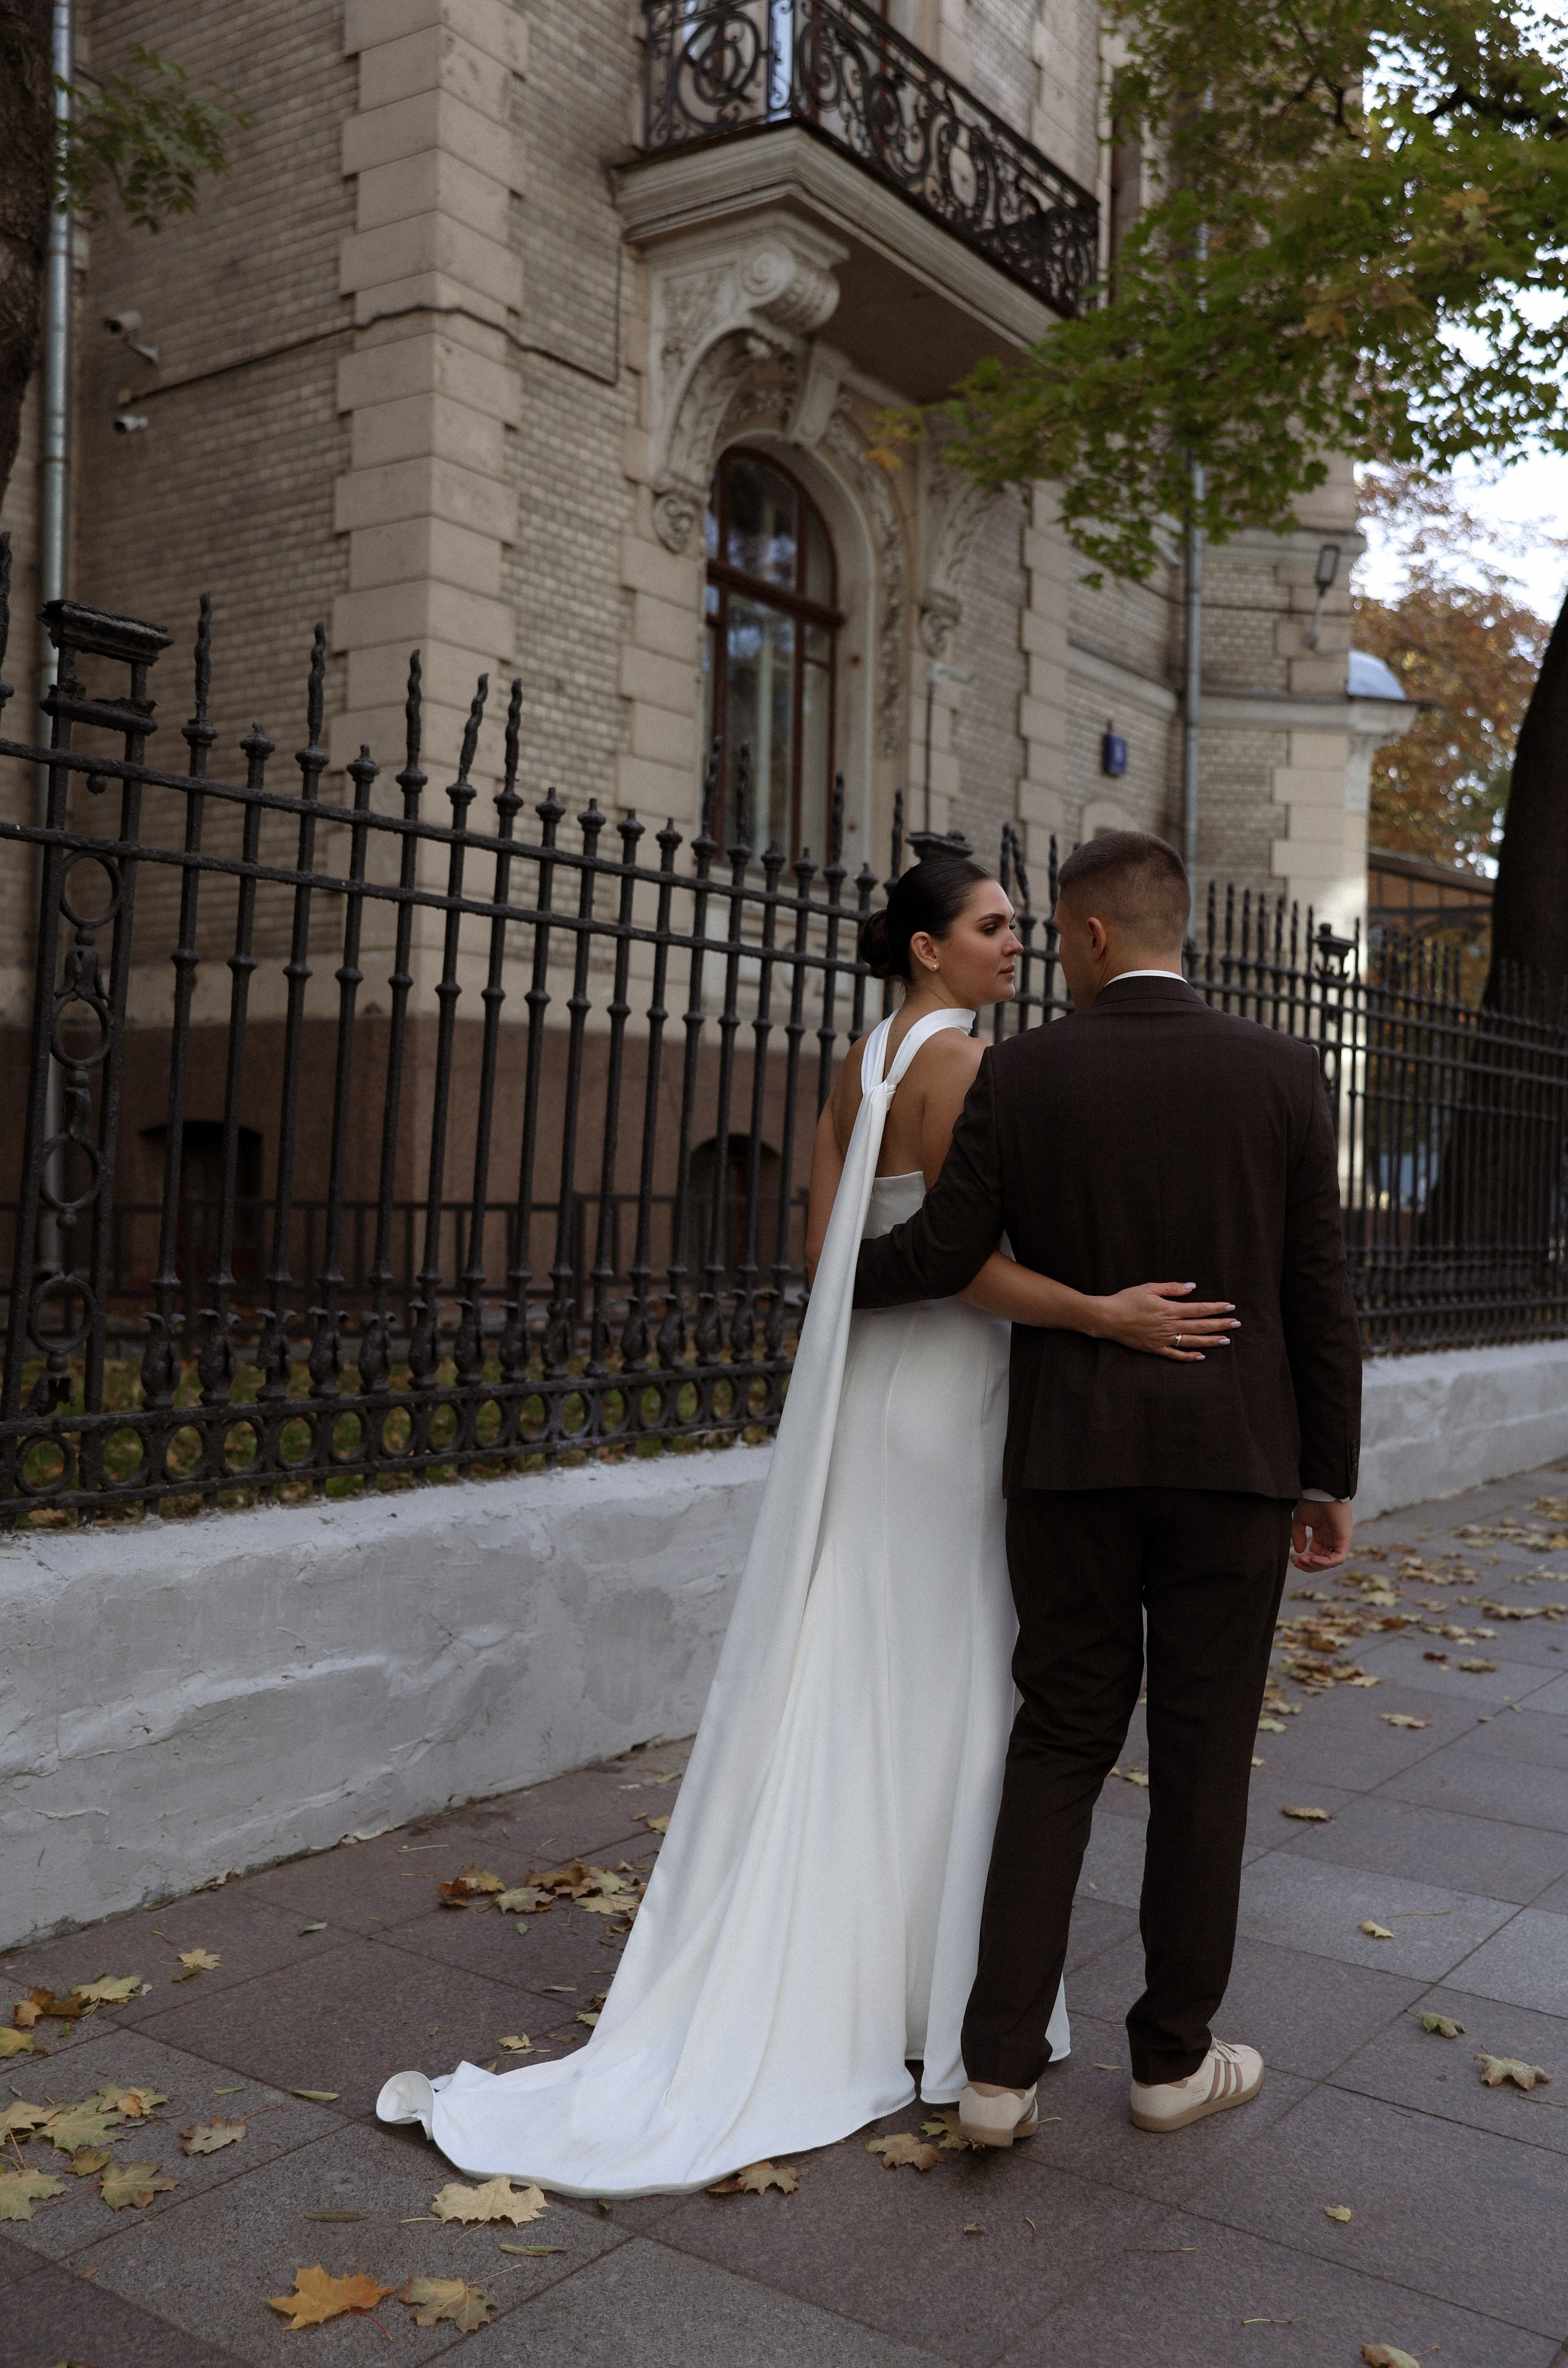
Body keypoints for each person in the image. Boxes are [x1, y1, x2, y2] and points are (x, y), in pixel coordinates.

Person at [375, 851, 1235, 2196]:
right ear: (925, 950)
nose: (1012, 946)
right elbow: (961, 1262)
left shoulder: (857, 1064)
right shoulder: (965, 1070)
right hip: (954, 1402)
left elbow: (835, 1253)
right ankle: (926, 2006)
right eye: (988, 928)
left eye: (1019, 927)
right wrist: (1100, 1312)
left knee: (858, 1663)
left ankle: (869, 1974)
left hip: (869, 1393)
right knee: (953, 1686)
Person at [853, 831, 1361, 2147]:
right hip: (1235, 1468)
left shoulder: (1021, 1072)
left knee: (1060, 1738)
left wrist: (827, 1277)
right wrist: (1328, 1475)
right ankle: (1167, 2063)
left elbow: (946, 1253)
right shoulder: (1279, 1070)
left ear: (1084, 936)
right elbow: (1318, 1294)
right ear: (1171, 929)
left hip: (1068, 1463)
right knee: (1199, 1760)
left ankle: (998, 2075)